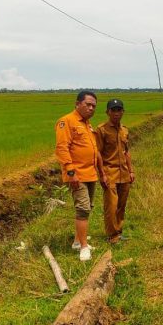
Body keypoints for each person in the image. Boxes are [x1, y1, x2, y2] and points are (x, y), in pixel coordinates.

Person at [55, 90, 101, 261]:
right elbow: (62, 148)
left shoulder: (87, 124)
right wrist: (71, 172)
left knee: (88, 207)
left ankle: (77, 241)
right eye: (87, 104)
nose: (91, 108)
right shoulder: (67, 121)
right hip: (77, 174)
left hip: (90, 173)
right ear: (77, 104)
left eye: (94, 106)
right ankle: (83, 247)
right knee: (82, 208)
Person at [95, 98, 135, 244]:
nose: (117, 113)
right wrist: (102, 174)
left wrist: (131, 171)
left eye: (119, 110)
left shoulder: (124, 130)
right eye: (114, 110)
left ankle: (118, 231)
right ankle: (112, 235)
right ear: (108, 112)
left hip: (124, 173)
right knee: (111, 205)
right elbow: (98, 153)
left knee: (121, 205)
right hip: (109, 172)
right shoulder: (101, 130)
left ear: (123, 112)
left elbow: (126, 152)